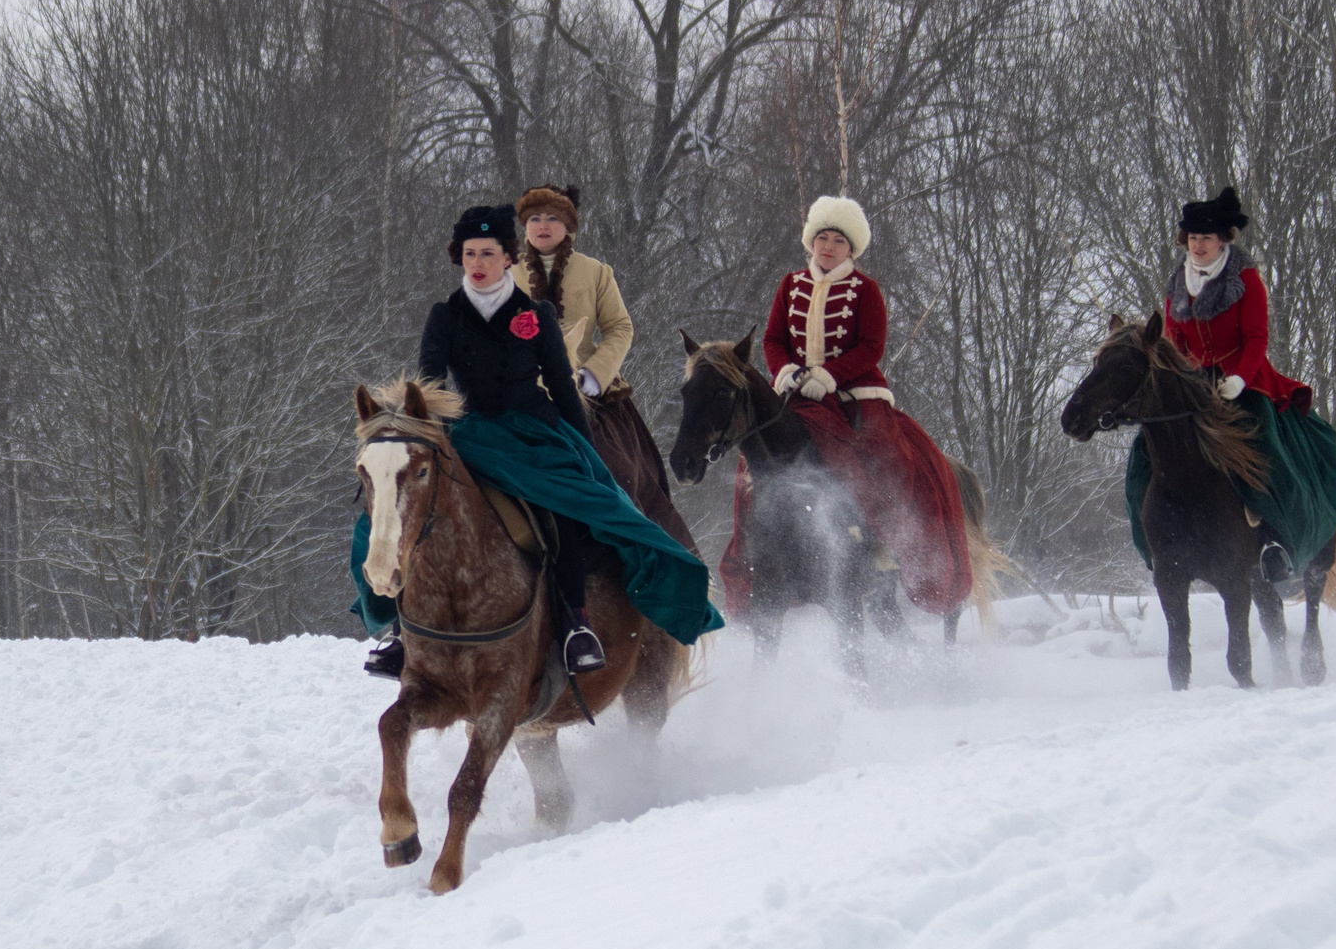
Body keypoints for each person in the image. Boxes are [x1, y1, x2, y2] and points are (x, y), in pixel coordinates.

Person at [356, 205, 721, 679]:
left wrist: (587, 453)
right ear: (459, 258)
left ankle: (576, 625)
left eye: (489, 253)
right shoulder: (445, 316)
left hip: (533, 432)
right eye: (470, 254)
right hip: (468, 434)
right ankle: (405, 633)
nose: (478, 263)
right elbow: (429, 387)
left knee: (565, 515)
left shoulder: (535, 314)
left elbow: (564, 389)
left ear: (509, 257)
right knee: (407, 513)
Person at [729, 195, 972, 616]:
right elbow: (772, 339)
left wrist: (830, 376)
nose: (828, 246)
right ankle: (756, 554)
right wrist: (785, 371)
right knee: (752, 462)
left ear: (851, 248)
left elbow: (872, 346)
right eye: (821, 237)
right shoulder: (790, 284)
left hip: (854, 395)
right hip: (796, 394)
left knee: (887, 459)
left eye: (837, 240)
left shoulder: (866, 290)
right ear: (811, 242)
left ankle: (882, 544)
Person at [1140, 186, 1336, 583]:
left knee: (1262, 447)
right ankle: (1150, 537)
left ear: (1223, 241)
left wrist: (1237, 379)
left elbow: (1256, 339)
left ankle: (1273, 539)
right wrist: (1184, 378)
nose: (1198, 246)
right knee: (1145, 452)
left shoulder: (1246, 279)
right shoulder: (1177, 283)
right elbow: (1176, 342)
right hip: (1194, 386)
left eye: (1207, 239)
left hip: (1245, 381)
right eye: (1193, 239)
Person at [512, 185, 699, 554]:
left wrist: (593, 375)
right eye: (534, 218)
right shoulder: (506, 273)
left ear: (569, 225)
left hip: (589, 393)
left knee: (624, 471)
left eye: (552, 217)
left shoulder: (596, 272)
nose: (543, 225)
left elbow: (620, 327)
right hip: (522, 393)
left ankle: (639, 559)